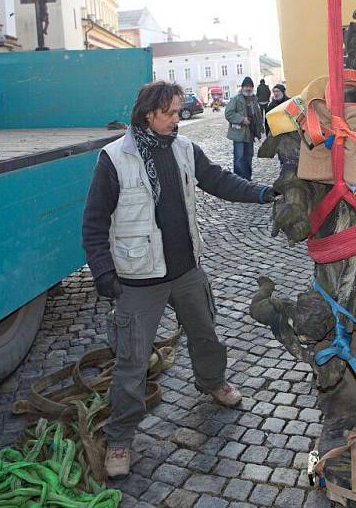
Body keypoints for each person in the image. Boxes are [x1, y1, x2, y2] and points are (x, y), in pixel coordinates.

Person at [82, 81, 277, 478]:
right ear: (148, 114)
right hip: (139, 279)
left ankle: (213, 382)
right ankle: (120, 438)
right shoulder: (115, 159)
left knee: (206, 335)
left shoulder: (185, 149)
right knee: (132, 362)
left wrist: (261, 192)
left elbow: (219, 180)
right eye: (170, 113)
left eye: (177, 112)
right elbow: (94, 222)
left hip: (187, 270)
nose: (177, 119)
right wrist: (102, 270)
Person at [225, 76, 262, 180]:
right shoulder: (235, 99)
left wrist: (260, 129)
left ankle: (247, 178)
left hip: (250, 133)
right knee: (239, 157)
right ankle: (239, 180)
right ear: (242, 87)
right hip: (239, 134)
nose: (248, 88)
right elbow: (228, 114)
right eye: (246, 86)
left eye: (250, 86)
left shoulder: (254, 99)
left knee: (249, 156)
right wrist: (241, 119)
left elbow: (258, 115)